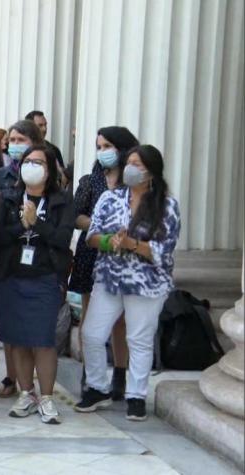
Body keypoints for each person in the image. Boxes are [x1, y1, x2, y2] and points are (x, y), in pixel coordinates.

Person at [76, 144, 180, 422]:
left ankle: (136, 395)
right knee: (92, 334)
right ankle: (97, 387)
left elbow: (163, 250)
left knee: (139, 339)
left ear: (152, 172)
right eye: (129, 163)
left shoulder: (167, 206)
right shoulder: (110, 199)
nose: (131, 168)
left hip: (146, 283)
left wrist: (133, 244)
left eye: (138, 164)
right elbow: (92, 236)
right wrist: (111, 241)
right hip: (109, 278)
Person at [0, 145, 74, 425]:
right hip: (10, 276)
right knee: (17, 340)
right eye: (27, 161)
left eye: (38, 162)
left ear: (49, 168)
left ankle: (47, 397)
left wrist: (36, 223)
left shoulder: (62, 201)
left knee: (42, 339)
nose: (32, 166)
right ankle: (26, 393)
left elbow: (62, 239)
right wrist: (22, 226)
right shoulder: (9, 198)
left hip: (44, 277)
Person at [69, 126, 139, 399]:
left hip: (124, 255)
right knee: (91, 314)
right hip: (93, 250)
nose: (103, 152)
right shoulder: (90, 181)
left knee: (120, 319)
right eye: (99, 147)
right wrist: (103, 229)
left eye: (107, 146)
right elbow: (76, 216)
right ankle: (92, 372)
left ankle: (120, 374)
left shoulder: (134, 180)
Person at [0, 120, 44, 195]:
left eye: (21, 140)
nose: (15, 143)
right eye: (12, 140)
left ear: (35, 143)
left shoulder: (44, 172)